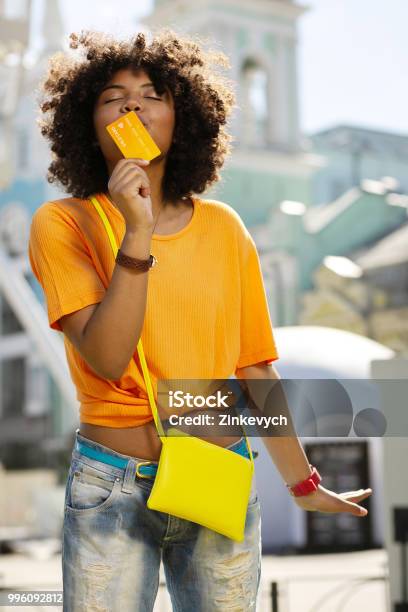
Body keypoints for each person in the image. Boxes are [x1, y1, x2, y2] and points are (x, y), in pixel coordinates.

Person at [28, 28, 372, 611]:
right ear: (87, 124)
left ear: (182, 119)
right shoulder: (63, 224)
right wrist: (136, 231)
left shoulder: (224, 228)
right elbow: (108, 358)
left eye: (152, 93)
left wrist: (304, 485)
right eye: (113, 96)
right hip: (110, 483)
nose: (132, 103)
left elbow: (257, 371)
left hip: (217, 475)